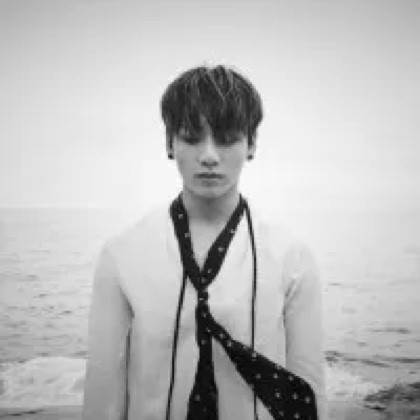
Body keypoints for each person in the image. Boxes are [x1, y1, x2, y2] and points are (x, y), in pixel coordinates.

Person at [83, 65, 326, 420]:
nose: (209, 156)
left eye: (226, 139)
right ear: (169, 143)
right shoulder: (122, 254)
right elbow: (103, 387)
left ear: (251, 144)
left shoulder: (292, 257)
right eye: (191, 137)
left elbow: (309, 384)